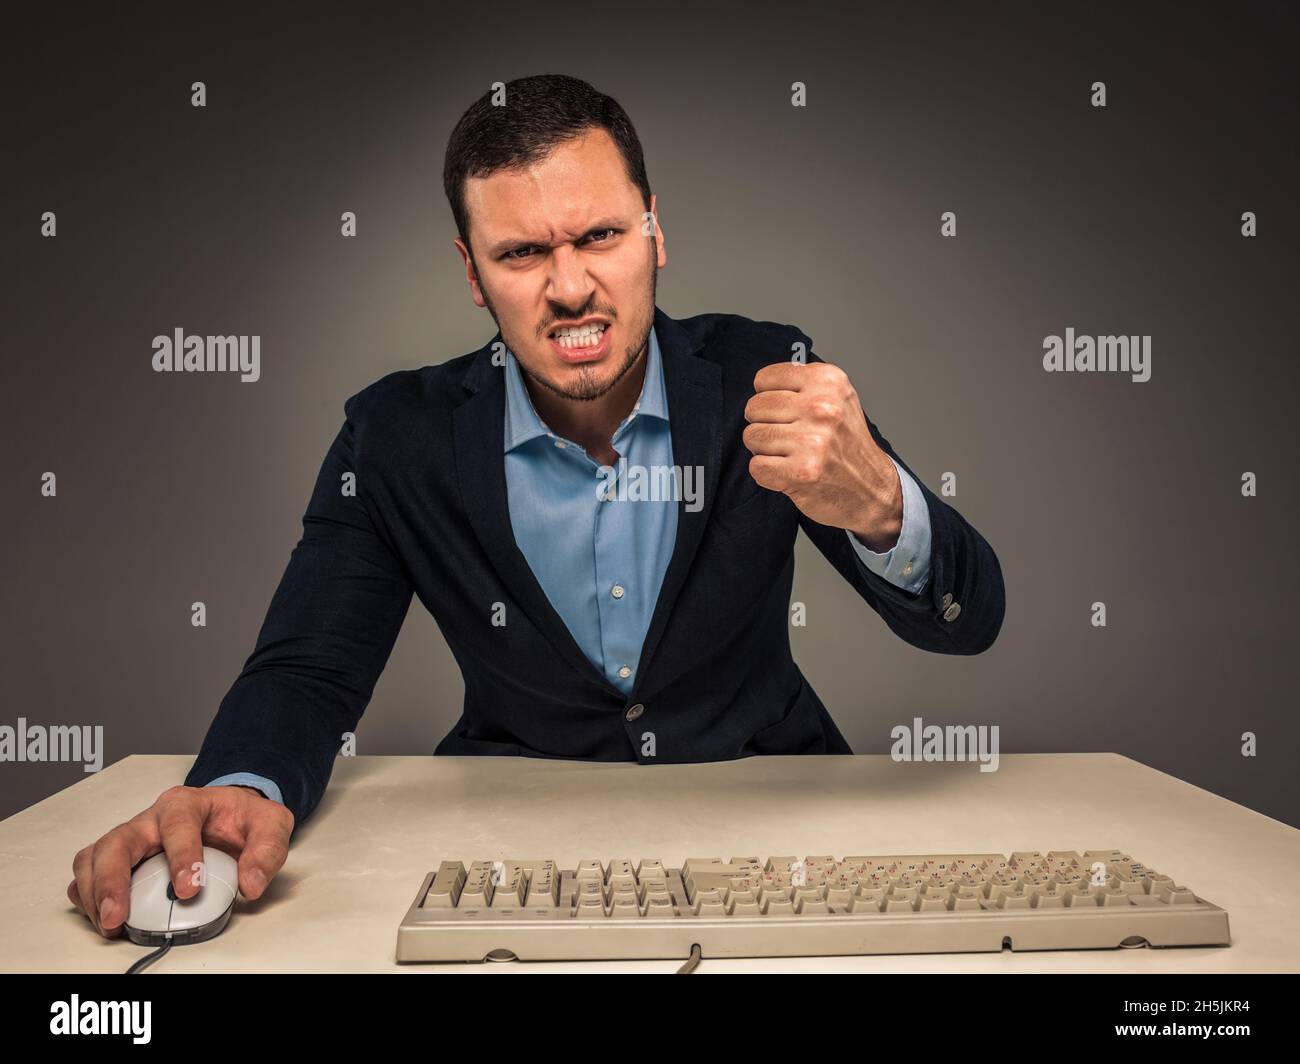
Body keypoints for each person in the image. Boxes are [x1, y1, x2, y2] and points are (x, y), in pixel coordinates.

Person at [69, 74, 1004, 937]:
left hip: (778, 834)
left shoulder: (770, 375)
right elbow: (308, 673)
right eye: (521, 253)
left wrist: (882, 502)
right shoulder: (396, 437)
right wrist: (237, 789)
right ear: (473, 273)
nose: (568, 287)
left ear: (653, 233)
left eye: (599, 235)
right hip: (510, 855)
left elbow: (971, 622)